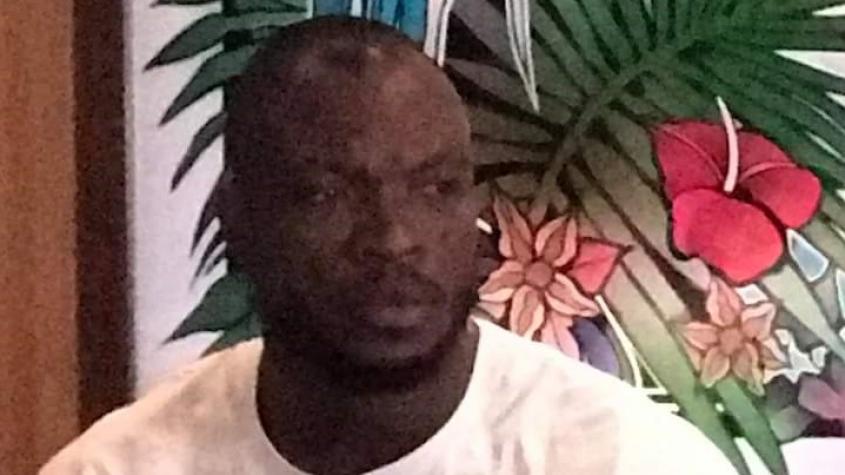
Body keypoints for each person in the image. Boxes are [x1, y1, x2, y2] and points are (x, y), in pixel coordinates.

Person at [42, 16, 737, 475]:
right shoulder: (123, 465)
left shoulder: (623, 460)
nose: (394, 239)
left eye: (435, 188)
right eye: (326, 194)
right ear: (236, 219)